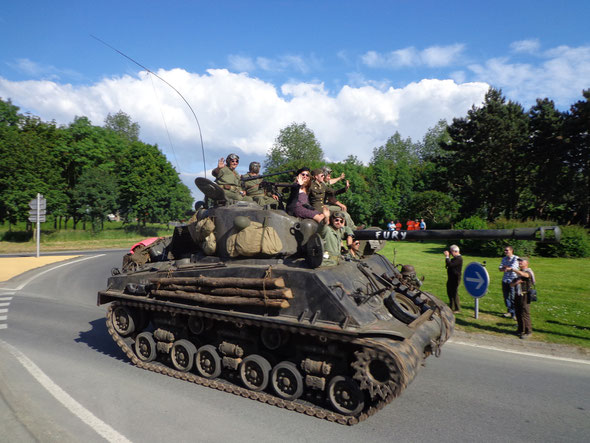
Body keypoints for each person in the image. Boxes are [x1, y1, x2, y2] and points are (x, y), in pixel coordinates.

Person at [511, 257, 536, 339]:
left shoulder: (528, 271)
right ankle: (520, 329)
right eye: (519, 261)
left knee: (525, 313)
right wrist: (515, 282)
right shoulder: (519, 273)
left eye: (521, 261)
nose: (519, 262)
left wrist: (513, 270)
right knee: (518, 312)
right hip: (518, 294)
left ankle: (528, 331)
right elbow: (511, 284)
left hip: (525, 295)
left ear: (527, 263)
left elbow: (525, 275)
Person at [499, 245, 519, 319]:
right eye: (505, 250)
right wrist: (506, 268)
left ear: (511, 251)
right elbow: (500, 268)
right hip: (505, 280)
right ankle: (509, 311)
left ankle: (514, 313)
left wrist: (506, 267)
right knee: (506, 297)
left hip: (513, 280)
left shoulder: (516, 258)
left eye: (507, 250)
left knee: (513, 297)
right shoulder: (504, 258)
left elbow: (513, 268)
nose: (505, 252)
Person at [444, 245, 463, 312]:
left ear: (456, 251)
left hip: (455, 278)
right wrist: (448, 258)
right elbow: (448, 264)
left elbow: (450, 265)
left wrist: (447, 257)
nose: (450, 253)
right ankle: (451, 306)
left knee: (454, 292)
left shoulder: (459, 258)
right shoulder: (455, 258)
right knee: (449, 292)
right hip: (451, 277)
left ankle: (457, 308)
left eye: (451, 252)